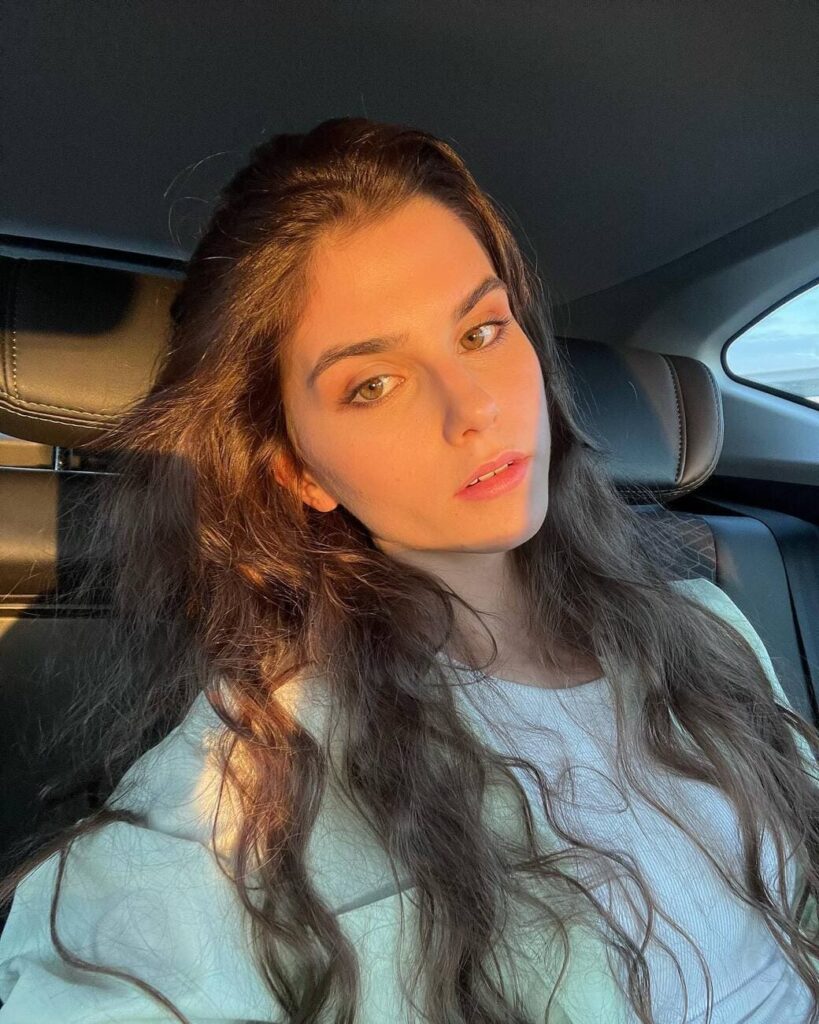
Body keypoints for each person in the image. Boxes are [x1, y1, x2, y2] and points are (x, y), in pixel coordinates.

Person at [0, 116, 817, 1024]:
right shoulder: (258, 784)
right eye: (373, 384)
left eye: (481, 331)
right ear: (299, 471)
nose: (473, 409)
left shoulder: (705, 626)